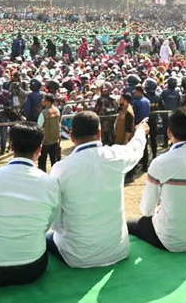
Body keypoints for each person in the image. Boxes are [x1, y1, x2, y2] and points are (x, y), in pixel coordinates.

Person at [0, 122, 60, 287]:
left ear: (11, 146)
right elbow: (47, 224)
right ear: (39, 149)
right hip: (35, 268)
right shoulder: (51, 183)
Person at [47, 111, 149, 268]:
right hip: (118, 250)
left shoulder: (61, 168)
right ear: (99, 133)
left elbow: (56, 218)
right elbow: (136, 148)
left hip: (77, 256)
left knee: (47, 237)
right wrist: (141, 131)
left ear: (72, 135)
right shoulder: (116, 155)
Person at [128, 108, 186, 251]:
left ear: (169, 132)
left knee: (132, 224)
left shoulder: (160, 163)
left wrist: (158, 210)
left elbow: (147, 210)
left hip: (169, 240)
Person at [37, 94, 61, 171]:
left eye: (44, 100)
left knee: (42, 162)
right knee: (54, 161)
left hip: (45, 141)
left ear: (48, 102)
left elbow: (39, 126)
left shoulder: (44, 113)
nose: (42, 102)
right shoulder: (57, 110)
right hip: (55, 139)